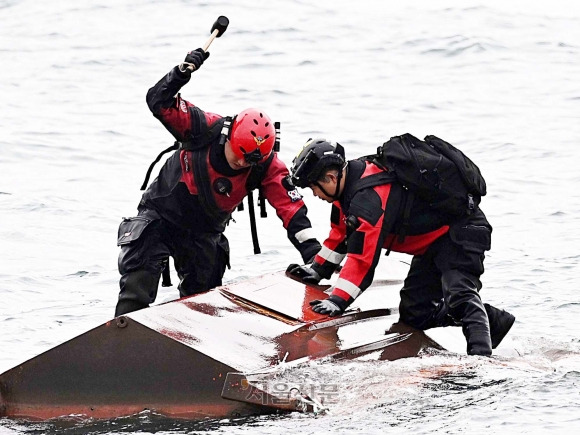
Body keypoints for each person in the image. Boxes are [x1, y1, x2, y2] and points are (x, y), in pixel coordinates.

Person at [114, 48, 320, 316]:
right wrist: (180, 74)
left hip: (204, 232)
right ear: (230, 136)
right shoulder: (202, 127)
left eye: (252, 161)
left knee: (204, 306)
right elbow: (158, 101)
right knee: (137, 287)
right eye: (241, 155)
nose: (243, 164)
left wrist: (316, 257)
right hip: (160, 218)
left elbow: (291, 210)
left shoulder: (266, 165)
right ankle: (120, 339)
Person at [287, 138, 515, 356]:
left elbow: (361, 260)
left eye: (313, 187)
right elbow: (340, 235)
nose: (314, 195)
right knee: (415, 314)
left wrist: (337, 301)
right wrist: (317, 269)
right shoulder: (346, 190)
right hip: (432, 243)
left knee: (460, 294)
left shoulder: (367, 199)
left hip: (462, 232)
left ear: (330, 177)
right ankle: (493, 320)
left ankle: (481, 360)